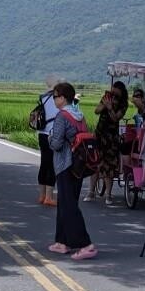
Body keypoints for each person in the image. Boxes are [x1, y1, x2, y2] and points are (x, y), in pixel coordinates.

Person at [47, 81, 97, 260]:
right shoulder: (79, 115)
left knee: (69, 206)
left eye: (55, 96)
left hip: (65, 165)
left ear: (63, 98)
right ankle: (62, 242)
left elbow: (57, 144)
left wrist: (50, 138)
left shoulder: (62, 116)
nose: (54, 99)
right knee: (66, 202)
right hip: (79, 165)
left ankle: (86, 244)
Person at [86, 81, 127, 205]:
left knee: (109, 165)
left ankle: (108, 194)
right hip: (99, 134)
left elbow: (116, 118)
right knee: (95, 163)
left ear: (120, 91)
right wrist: (105, 105)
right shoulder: (106, 97)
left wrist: (110, 108)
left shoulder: (123, 104)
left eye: (115, 90)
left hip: (111, 137)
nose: (113, 92)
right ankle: (91, 192)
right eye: (112, 89)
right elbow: (96, 111)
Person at [36, 77, 59, 206]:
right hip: (52, 134)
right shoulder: (58, 100)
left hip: (42, 135)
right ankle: (49, 197)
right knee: (52, 165)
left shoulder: (43, 98)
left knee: (44, 164)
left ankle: (42, 195)